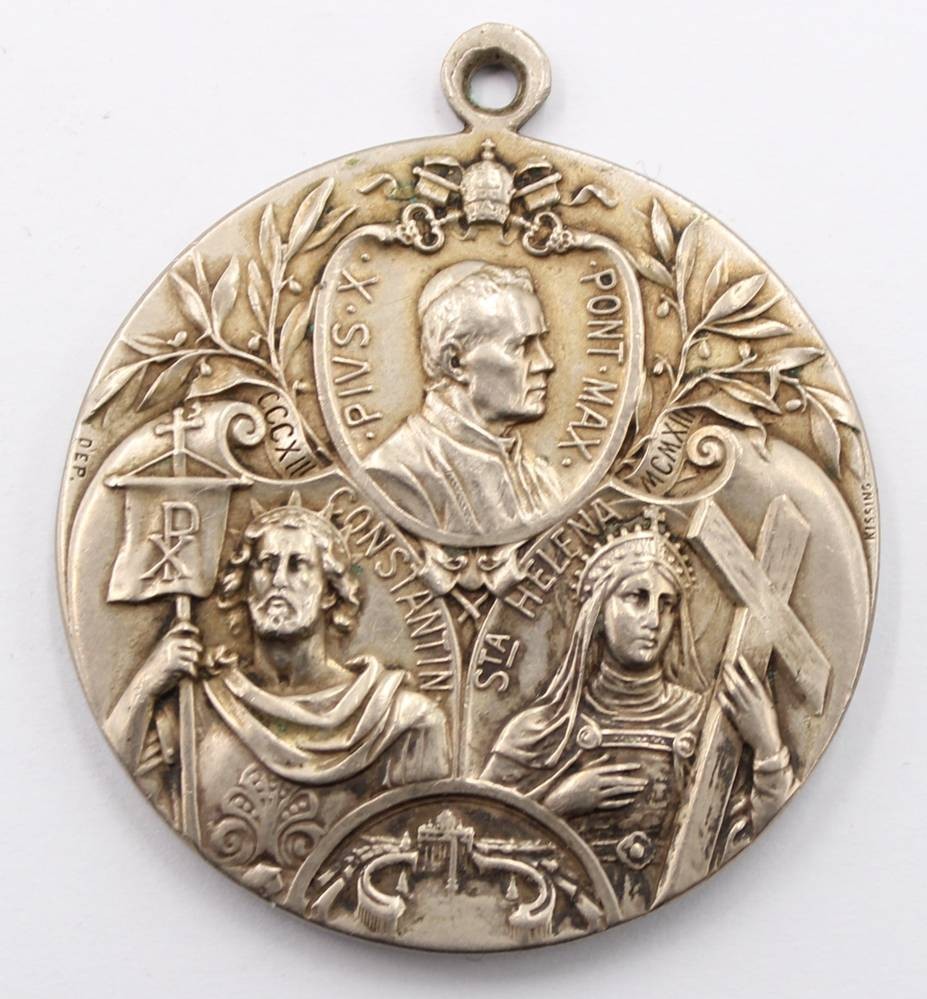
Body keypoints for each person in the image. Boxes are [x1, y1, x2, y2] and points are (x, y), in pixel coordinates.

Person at [104, 494, 449, 894]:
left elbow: (419, 869)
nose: (278, 580)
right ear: (246, 587)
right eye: (265, 566)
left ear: (330, 592)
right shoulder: (197, 705)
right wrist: (147, 683)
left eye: (298, 565)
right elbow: (113, 786)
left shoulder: (403, 720)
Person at [481, 511, 794, 916]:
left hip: (694, 916)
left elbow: (763, 836)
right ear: (598, 612)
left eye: (667, 604)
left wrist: (767, 745)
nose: (653, 620)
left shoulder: (707, 722)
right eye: (637, 598)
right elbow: (479, 841)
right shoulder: (538, 730)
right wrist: (557, 804)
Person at [364, 260, 561, 535]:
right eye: (521, 346)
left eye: (540, 342)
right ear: (455, 362)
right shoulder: (395, 476)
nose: (546, 363)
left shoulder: (540, 477)